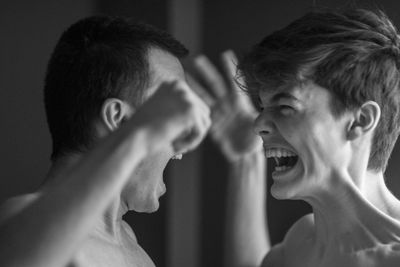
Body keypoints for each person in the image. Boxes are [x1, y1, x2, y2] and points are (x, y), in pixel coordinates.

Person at [0, 16, 260, 267]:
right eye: (171, 113)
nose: (180, 150)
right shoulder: (19, 216)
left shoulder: (128, 242)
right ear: (119, 118)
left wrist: (247, 160)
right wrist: (140, 135)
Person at [220, 8, 400, 267]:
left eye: (285, 106)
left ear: (359, 121)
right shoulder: (302, 239)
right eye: (262, 107)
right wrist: (246, 158)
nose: (258, 124)